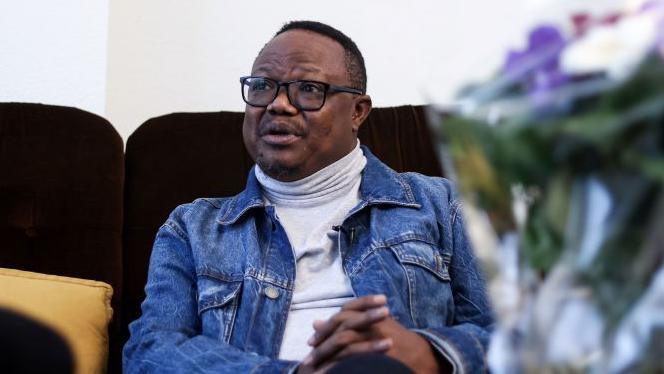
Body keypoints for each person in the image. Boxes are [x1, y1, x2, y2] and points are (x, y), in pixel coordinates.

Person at [123, 20, 492, 373]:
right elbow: (149, 352)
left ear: (358, 112)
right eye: (262, 86)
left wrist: (432, 354)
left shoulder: (447, 206)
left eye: (308, 89)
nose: (278, 104)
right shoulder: (192, 228)